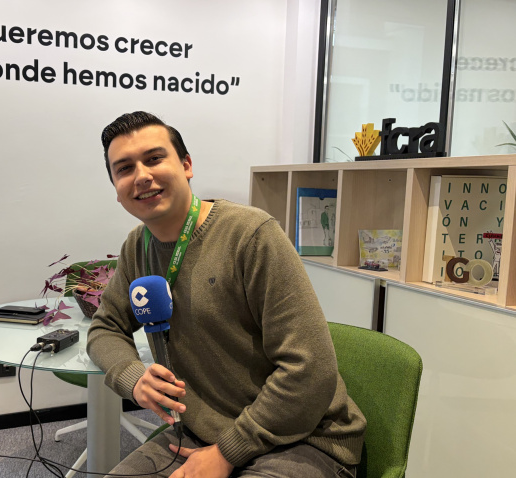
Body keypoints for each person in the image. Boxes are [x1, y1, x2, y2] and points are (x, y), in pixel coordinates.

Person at [86, 112, 366, 478]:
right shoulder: (137, 247)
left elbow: (310, 370)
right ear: (116, 188)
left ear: (186, 165)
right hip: (201, 432)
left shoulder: (252, 235)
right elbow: (104, 328)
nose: (141, 175)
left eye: (154, 159)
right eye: (124, 168)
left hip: (303, 437)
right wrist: (132, 377)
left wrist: (228, 451)